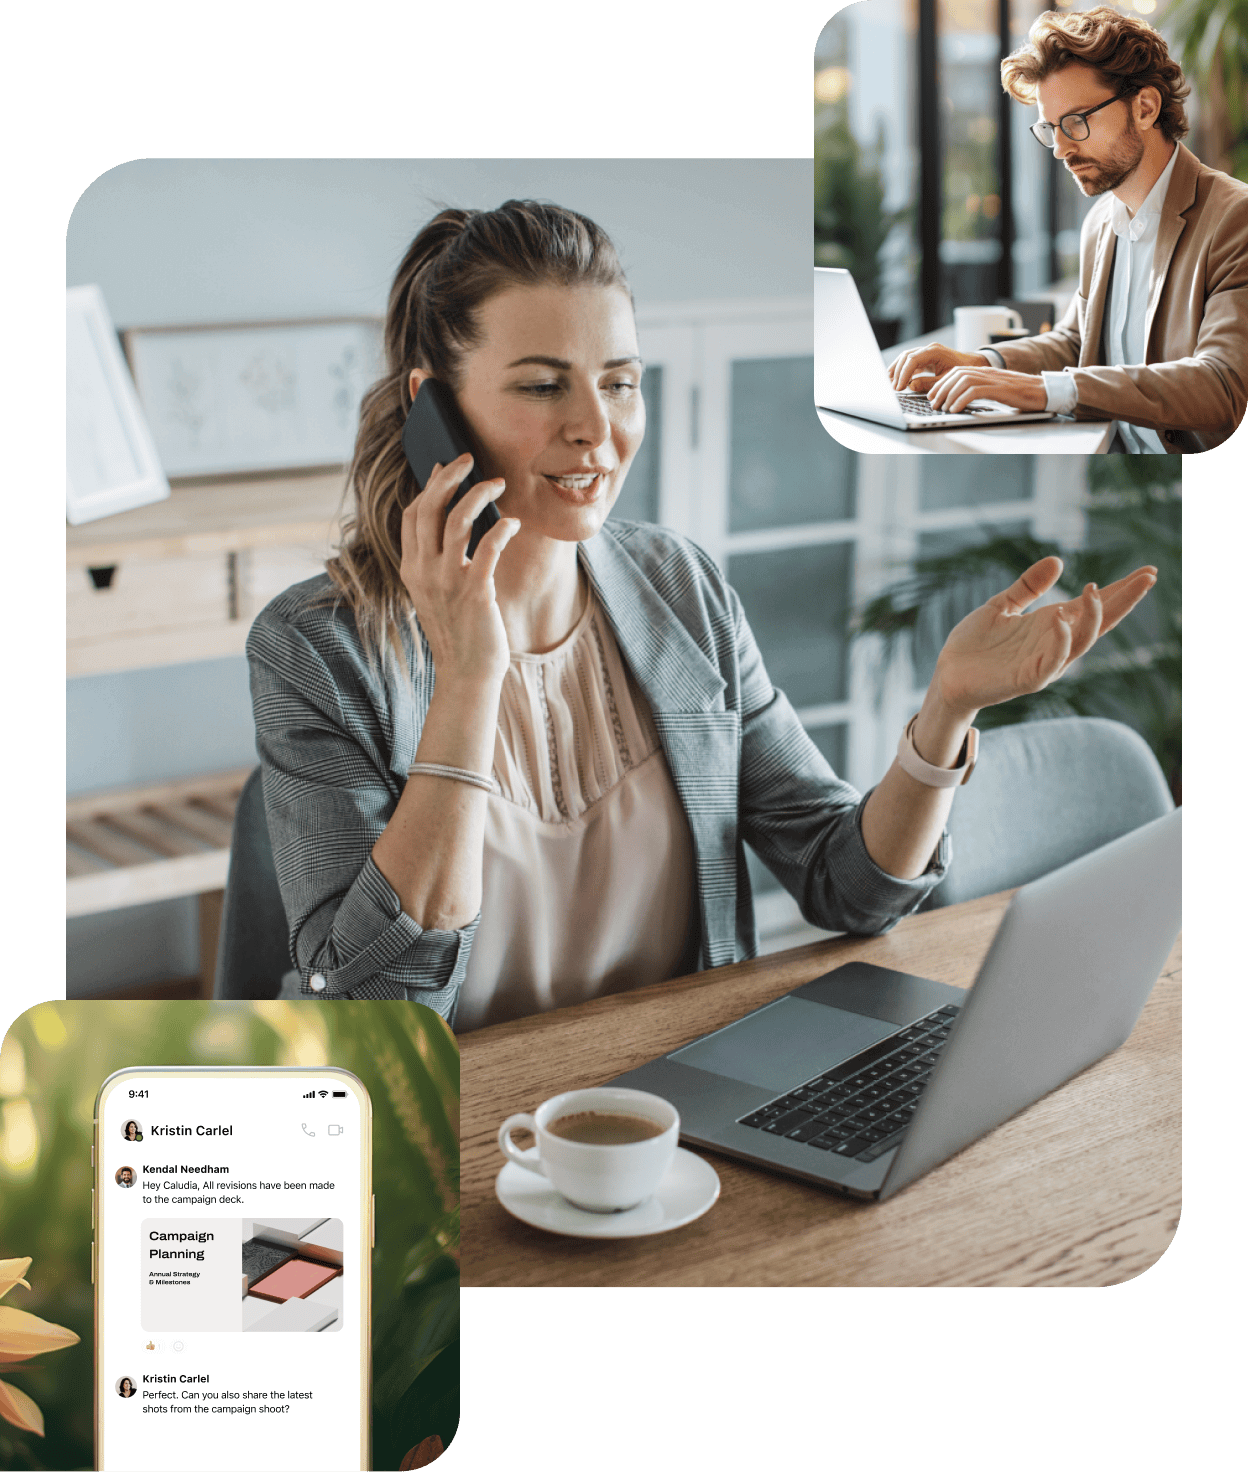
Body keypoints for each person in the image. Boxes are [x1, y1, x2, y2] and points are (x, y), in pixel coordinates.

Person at [246, 199, 1158, 1030]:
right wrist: (472, 676)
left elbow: (847, 885)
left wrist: (948, 709)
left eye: (619, 382)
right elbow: (366, 1008)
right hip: (446, 1123)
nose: (597, 432)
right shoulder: (318, 649)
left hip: (673, 1108)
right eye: (541, 386)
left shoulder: (679, 589)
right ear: (430, 408)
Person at [889, 5, 1248, 453]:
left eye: (1076, 122)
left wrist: (1042, 391)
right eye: (1051, 128)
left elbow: (1221, 385)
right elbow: (1077, 340)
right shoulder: (1101, 222)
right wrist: (981, 362)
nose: (1060, 149)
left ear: (1146, 107)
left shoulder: (1236, 218)